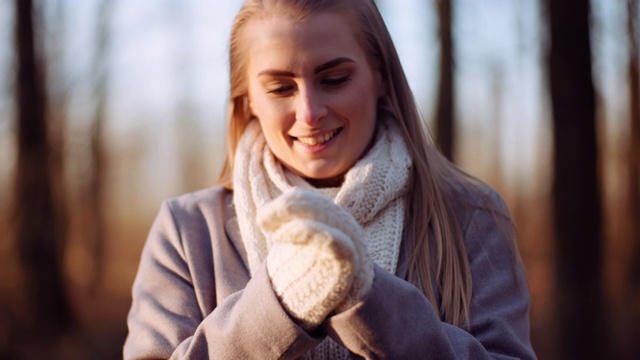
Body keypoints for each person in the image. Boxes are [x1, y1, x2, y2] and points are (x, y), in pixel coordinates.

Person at [123, 0, 536, 358]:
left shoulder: (471, 216)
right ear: (247, 99)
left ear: (382, 77)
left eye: (334, 79)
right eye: (281, 88)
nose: (309, 112)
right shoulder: (186, 230)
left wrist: (368, 298)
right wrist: (281, 303)